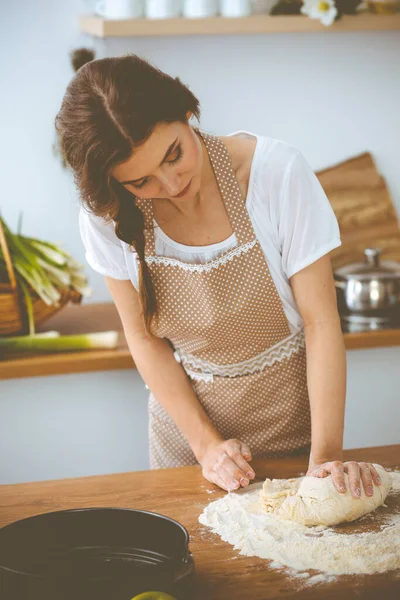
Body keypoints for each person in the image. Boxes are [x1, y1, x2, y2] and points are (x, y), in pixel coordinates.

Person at [55, 52, 382, 500]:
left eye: (174, 155)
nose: (170, 185)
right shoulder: (108, 215)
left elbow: (320, 322)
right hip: (186, 449)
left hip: (296, 440)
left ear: (187, 112)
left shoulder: (275, 175)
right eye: (141, 182)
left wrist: (324, 459)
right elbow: (144, 338)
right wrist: (206, 446)